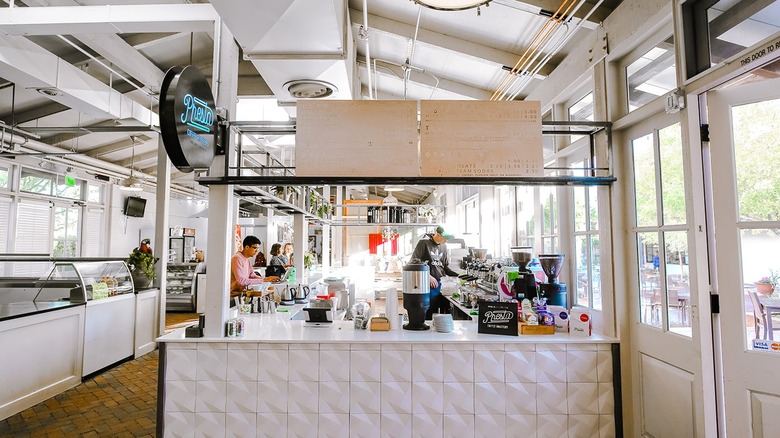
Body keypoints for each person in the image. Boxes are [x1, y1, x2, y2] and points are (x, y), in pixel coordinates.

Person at [411, 225, 460, 319]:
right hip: (427, 284)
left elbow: (444, 267)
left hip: (441, 284)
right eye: (445, 238)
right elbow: (414, 261)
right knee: (429, 310)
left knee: (445, 309)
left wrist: (459, 276)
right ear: (438, 234)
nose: (446, 241)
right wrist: (427, 276)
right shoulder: (424, 243)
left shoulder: (444, 247)